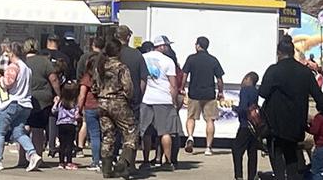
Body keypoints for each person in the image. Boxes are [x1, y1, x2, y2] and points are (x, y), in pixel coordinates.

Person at [260, 35, 321, 180]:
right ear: (293, 52)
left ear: (279, 53)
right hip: (296, 123)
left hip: (275, 123)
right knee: (291, 155)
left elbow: (263, 92)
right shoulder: (305, 72)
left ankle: (280, 177)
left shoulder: (274, 70)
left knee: (276, 154)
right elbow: (318, 96)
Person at [0, 42, 42, 171]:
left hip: (11, 103)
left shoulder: (13, 67)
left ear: (12, 53)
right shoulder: (27, 69)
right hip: (25, 104)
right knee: (19, 132)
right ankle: (33, 154)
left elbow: (7, 84)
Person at [92, 37, 138, 179]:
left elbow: (94, 87)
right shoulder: (121, 67)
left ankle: (106, 169)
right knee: (131, 132)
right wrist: (129, 99)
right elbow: (128, 88)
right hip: (118, 103)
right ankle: (123, 162)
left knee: (107, 135)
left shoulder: (99, 66)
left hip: (102, 103)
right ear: (118, 52)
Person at [140, 36, 182, 172]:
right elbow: (173, 85)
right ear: (161, 46)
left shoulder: (143, 57)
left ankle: (146, 160)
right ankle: (168, 161)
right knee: (165, 132)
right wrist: (174, 101)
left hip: (146, 98)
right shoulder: (168, 61)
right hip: (164, 99)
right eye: (167, 45)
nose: (168, 48)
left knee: (146, 132)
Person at [180, 35, 225, 156]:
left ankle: (190, 136)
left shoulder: (191, 59)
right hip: (209, 94)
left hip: (194, 93)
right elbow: (219, 79)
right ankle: (208, 148)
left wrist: (182, 87)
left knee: (191, 117)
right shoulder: (213, 60)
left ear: (198, 45)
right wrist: (220, 92)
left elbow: (184, 75)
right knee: (210, 120)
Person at [21, 38, 61, 167]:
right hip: (43, 99)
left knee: (23, 129)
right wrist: (58, 94)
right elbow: (53, 79)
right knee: (38, 129)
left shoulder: (21, 63)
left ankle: (22, 158)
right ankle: (38, 157)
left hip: (24, 98)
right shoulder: (45, 61)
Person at [77, 36, 104, 171]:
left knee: (94, 135)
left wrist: (78, 108)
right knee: (105, 135)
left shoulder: (87, 77)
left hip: (90, 107)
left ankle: (96, 161)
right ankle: (106, 159)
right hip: (104, 107)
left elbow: (82, 95)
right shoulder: (105, 76)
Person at [232, 72, 260, 180]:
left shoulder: (245, 90)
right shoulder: (255, 91)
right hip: (254, 126)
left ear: (248, 79)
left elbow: (244, 107)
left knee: (236, 149)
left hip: (245, 124)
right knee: (252, 152)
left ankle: (239, 175)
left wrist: (235, 108)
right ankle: (252, 176)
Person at [55, 81, 81, 170]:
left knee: (62, 144)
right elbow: (77, 116)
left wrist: (55, 102)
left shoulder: (60, 102)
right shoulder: (75, 104)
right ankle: (69, 162)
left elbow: (54, 110)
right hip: (71, 124)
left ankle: (61, 162)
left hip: (61, 124)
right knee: (70, 144)